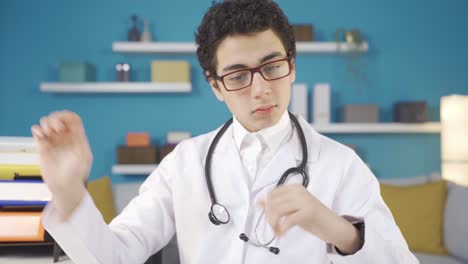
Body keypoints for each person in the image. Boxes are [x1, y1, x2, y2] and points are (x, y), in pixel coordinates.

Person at [31, 0, 419, 263]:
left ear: (293, 66)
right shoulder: (184, 163)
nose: (261, 88)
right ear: (215, 85)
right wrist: (68, 192)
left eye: (272, 66)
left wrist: (340, 232)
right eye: (237, 75)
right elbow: (115, 256)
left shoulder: (341, 166)